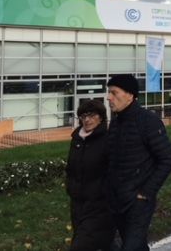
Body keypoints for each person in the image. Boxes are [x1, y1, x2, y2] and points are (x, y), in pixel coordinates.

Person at [106, 74, 171, 250]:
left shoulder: (148, 121)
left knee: (131, 246)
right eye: (109, 93)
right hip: (117, 201)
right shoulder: (115, 123)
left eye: (114, 93)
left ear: (130, 95)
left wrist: (146, 192)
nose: (108, 98)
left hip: (138, 203)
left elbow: (167, 159)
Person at [66, 100, 115, 251]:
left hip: (99, 206)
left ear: (101, 117)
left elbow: (113, 171)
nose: (87, 120)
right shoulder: (76, 140)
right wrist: (71, 188)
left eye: (92, 115)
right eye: (83, 116)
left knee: (80, 246)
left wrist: (102, 192)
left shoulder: (108, 139)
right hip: (77, 204)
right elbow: (70, 169)